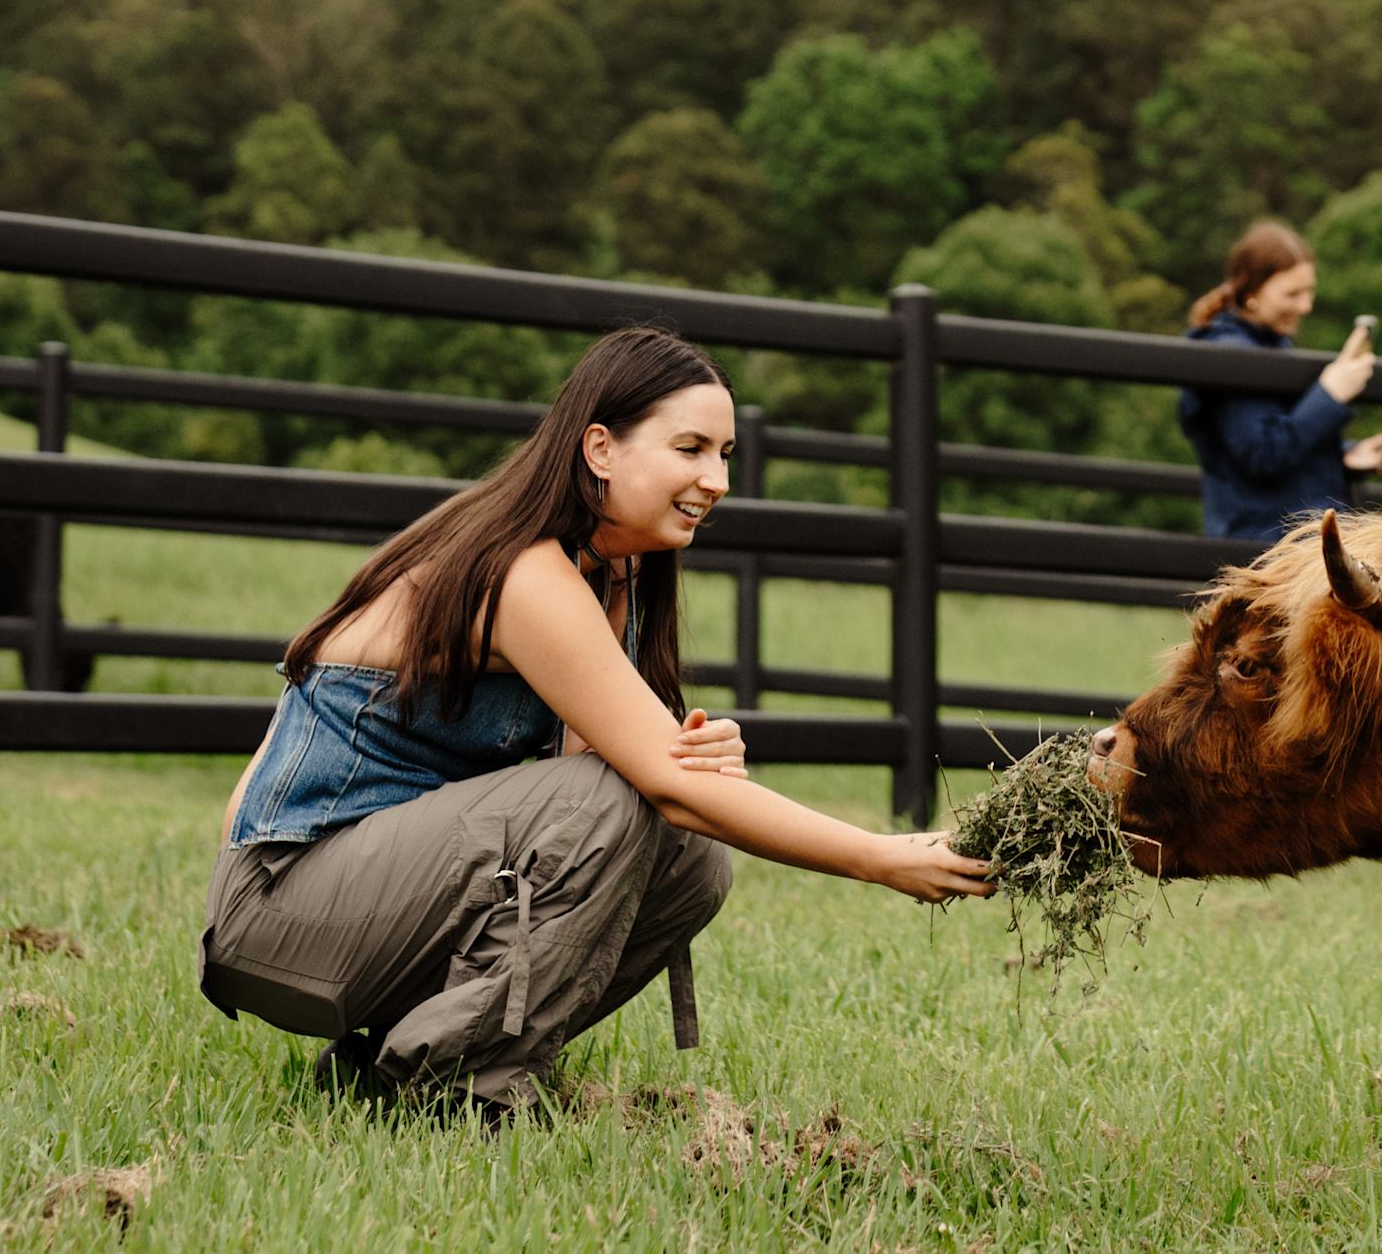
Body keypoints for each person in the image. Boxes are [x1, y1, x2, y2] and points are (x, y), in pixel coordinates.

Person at [199, 325, 990, 1120]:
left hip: (369, 903)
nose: (715, 480)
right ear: (601, 449)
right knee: (623, 798)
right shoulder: (523, 572)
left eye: (725, 454)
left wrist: (693, 756)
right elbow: (631, 787)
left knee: (687, 855)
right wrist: (877, 856)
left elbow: (624, 783)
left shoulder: (614, 574)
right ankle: (463, 1094)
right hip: (278, 910)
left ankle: (384, 1072)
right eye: (690, 449)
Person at [1179, 220, 1382, 544]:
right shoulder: (1227, 354)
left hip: (1286, 541)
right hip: (1263, 549)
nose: (1305, 305)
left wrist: (1341, 456)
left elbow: (1282, 435)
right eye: (1292, 293)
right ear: (1252, 291)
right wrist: (1330, 393)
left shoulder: (1270, 343)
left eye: (1309, 291)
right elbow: (1263, 453)